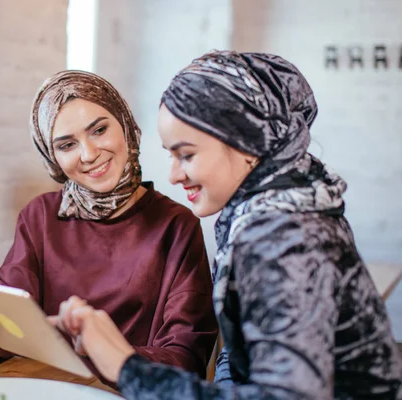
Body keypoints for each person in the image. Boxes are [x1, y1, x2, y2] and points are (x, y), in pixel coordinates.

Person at [50, 51, 402, 399]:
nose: (173, 175)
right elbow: (238, 357)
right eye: (171, 155)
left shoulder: (284, 240)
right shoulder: (276, 209)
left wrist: (125, 366)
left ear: (249, 144)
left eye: (186, 155)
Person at [0, 70, 218, 378]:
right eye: (67, 145)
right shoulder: (39, 216)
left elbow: (186, 357)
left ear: (125, 125)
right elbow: (12, 326)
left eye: (99, 130)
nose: (89, 153)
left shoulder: (176, 225)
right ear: (51, 157)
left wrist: (106, 357)